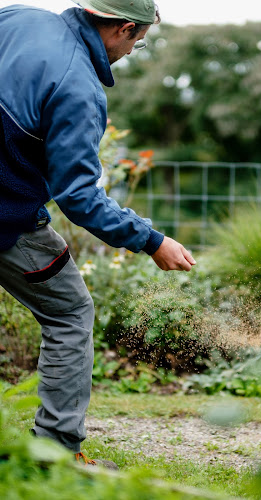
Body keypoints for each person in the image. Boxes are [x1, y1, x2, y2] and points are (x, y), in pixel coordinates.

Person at [0, 0, 196, 467]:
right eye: (138, 42)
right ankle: (55, 457)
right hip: (6, 215)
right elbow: (79, 198)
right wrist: (152, 240)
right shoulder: (78, 84)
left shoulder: (16, 16)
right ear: (123, 29)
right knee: (70, 312)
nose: (132, 52)